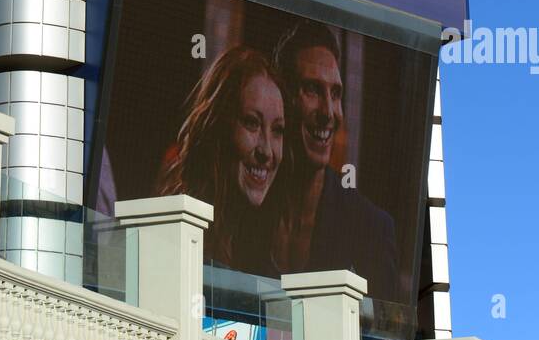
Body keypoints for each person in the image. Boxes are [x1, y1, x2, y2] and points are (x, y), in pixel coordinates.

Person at [272, 20, 399, 300]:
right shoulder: (248, 207)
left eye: (336, 93)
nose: (329, 113)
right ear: (283, 97)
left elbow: (381, 339)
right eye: (313, 90)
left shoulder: (371, 228)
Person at [158, 47, 290, 277]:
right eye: (252, 123)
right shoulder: (172, 236)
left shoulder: (268, 268)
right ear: (217, 128)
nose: (267, 151)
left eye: (278, 130)